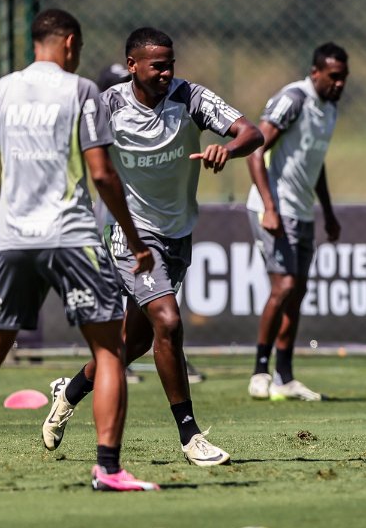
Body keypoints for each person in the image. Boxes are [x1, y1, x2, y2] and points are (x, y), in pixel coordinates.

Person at [0, 9, 159, 492]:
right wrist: (135, 238)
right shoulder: (82, 92)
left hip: (12, 240)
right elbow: (102, 174)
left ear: (35, 43)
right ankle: (108, 468)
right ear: (71, 43)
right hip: (73, 239)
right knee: (108, 352)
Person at [44, 28, 263, 467]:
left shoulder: (191, 97)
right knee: (168, 319)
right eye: (157, 65)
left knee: (135, 344)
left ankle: (68, 393)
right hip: (131, 235)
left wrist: (228, 149)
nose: (166, 72)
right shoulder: (107, 106)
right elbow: (67, 149)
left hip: (177, 232)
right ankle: (190, 435)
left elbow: (251, 133)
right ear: (132, 66)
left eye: (170, 64)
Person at [246, 42, 349, 401]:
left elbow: (314, 166)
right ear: (316, 72)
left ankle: (285, 376)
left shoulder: (330, 108)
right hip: (274, 208)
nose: (339, 84)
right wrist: (269, 206)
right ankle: (260, 371)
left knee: (298, 292)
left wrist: (329, 212)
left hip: (303, 210)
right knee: (284, 286)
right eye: (333, 77)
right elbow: (254, 149)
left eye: (344, 78)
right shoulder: (294, 98)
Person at [94, 62, 208, 387]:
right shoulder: (106, 116)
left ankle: (156, 352)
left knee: (153, 312)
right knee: (149, 305)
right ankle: (124, 359)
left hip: (162, 224)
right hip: (116, 220)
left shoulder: (164, 109)